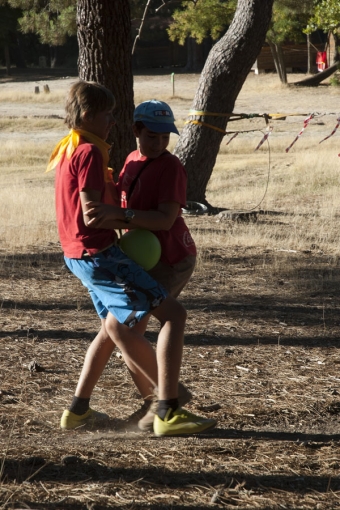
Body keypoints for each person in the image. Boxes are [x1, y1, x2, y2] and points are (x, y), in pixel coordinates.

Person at [47, 80, 216, 437]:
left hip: (82, 253)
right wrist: (115, 214)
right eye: (108, 115)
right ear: (90, 114)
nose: (112, 121)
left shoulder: (70, 149)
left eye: (163, 136)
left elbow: (161, 217)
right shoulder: (91, 152)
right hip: (99, 253)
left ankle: (80, 411)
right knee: (163, 317)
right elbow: (93, 213)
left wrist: (117, 213)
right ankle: (167, 407)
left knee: (116, 328)